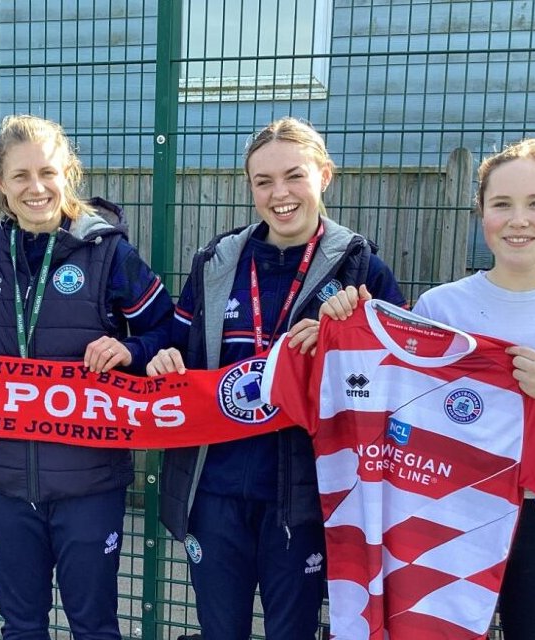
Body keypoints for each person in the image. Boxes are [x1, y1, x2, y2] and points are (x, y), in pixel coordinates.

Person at [318, 138, 535, 640]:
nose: (518, 220)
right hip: (444, 507)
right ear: (481, 210)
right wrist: (341, 325)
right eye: (501, 204)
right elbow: (389, 397)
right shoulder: (442, 308)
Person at [145, 116, 406, 640]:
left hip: (304, 494)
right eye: (263, 181)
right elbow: (173, 342)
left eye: (294, 176)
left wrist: (348, 333)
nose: (279, 194)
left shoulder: (361, 270)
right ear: (250, 187)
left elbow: (398, 377)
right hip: (214, 489)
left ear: (325, 176)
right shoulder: (216, 262)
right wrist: (156, 359)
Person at [0, 114, 173, 639]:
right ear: (1, 185)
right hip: (2, 480)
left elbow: (169, 336)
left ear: (68, 173)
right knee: (20, 626)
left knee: (94, 626)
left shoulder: (111, 255)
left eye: (47, 172)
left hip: (89, 481)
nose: (36, 188)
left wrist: (128, 348)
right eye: (20, 176)